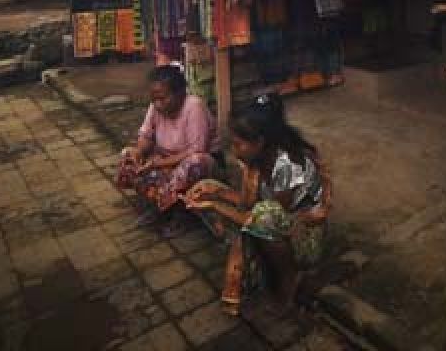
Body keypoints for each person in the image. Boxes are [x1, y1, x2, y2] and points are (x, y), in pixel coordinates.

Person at [184, 94, 329, 316]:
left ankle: (290, 278)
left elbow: (267, 217)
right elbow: (247, 204)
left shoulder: (288, 165)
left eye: (238, 144)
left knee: (263, 215)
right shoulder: (256, 160)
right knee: (210, 186)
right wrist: (216, 190)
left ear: (259, 142)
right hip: (277, 225)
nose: (234, 150)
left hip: (304, 237)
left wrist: (215, 205)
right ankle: (261, 269)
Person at [117, 65, 218, 236]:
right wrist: (138, 152)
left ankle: (181, 214)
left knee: (193, 163)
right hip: (166, 159)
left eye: (163, 98)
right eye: (154, 99)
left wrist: (158, 163)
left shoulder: (194, 106)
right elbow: (146, 135)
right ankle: (159, 206)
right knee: (128, 156)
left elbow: (197, 149)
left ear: (180, 93)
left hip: (202, 164)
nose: (158, 104)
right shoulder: (155, 106)